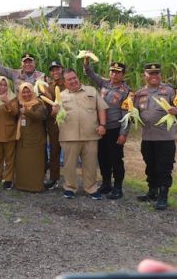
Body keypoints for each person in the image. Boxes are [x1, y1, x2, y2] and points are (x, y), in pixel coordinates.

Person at [54, 68, 107, 200]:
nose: (73, 81)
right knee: (69, 165)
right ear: (64, 82)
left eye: (74, 78)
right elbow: (55, 116)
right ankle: (70, 188)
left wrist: (103, 125)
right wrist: (54, 111)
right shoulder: (61, 96)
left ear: (77, 77)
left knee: (90, 164)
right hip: (69, 136)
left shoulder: (91, 91)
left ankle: (91, 188)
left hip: (90, 135)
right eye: (69, 79)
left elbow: (101, 108)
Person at [83, 58, 131, 199]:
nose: (114, 75)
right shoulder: (104, 83)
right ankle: (106, 183)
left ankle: (118, 187)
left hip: (115, 129)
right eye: (112, 72)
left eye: (118, 72)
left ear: (123, 74)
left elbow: (127, 115)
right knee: (102, 157)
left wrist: (123, 134)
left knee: (115, 158)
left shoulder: (126, 91)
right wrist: (86, 64)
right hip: (101, 128)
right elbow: (91, 75)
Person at [133, 63, 177, 210]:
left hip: (165, 138)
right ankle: (152, 191)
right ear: (144, 75)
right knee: (150, 165)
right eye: (150, 74)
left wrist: (175, 110)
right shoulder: (139, 93)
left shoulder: (170, 91)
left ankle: (163, 196)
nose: (154, 76)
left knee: (164, 167)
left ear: (160, 75)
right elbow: (134, 112)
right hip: (147, 138)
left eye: (156, 73)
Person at [14, 82, 47, 193]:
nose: (26, 94)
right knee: (23, 163)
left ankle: (36, 187)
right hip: (22, 139)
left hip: (36, 140)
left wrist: (27, 112)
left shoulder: (39, 103)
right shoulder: (19, 103)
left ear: (32, 92)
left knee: (35, 164)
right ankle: (22, 185)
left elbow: (40, 116)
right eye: (24, 92)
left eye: (28, 91)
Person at [0, 76, 18, 189]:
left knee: (9, 157)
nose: (2, 87)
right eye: (0, 85)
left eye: (5, 85)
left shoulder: (12, 97)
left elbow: (14, 113)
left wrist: (7, 103)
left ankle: (8, 179)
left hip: (9, 131)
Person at [42, 60, 64, 190]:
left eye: (57, 69)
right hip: (53, 123)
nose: (55, 72)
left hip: (68, 123)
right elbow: (45, 107)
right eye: (53, 70)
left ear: (62, 69)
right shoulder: (48, 87)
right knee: (55, 151)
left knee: (70, 152)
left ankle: (70, 180)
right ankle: (54, 178)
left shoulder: (69, 84)